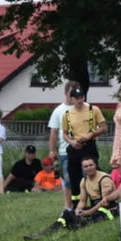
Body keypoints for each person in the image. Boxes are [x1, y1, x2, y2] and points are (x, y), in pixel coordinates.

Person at [23, 156, 117, 239]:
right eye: (86, 166)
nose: (88, 168)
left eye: (91, 165)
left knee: (82, 219)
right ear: (82, 168)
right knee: (67, 213)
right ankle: (44, 233)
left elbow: (105, 202)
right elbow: (83, 201)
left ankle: (72, 226)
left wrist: (88, 212)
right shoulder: (84, 181)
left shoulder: (104, 179)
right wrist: (78, 209)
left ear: (95, 165)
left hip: (108, 210)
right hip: (95, 209)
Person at [61, 87, 107, 205]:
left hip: (89, 145)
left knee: (93, 173)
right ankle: (77, 205)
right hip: (75, 146)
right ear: (71, 99)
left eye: (81, 97)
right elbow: (65, 133)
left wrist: (91, 134)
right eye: (76, 98)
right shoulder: (67, 114)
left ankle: (97, 201)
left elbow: (103, 127)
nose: (79, 100)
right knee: (74, 176)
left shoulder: (93, 109)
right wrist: (71, 142)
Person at [48, 81, 79, 210]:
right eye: (72, 92)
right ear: (66, 93)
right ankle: (68, 206)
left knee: (83, 178)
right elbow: (54, 132)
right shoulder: (58, 111)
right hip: (65, 151)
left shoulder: (84, 107)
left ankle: (81, 205)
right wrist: (52, 150)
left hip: (82, 149)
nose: (75, 95)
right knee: (67, 180)